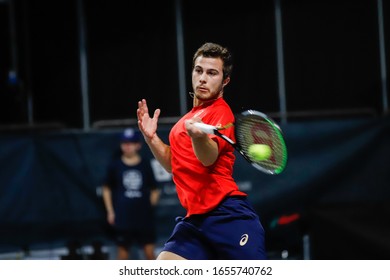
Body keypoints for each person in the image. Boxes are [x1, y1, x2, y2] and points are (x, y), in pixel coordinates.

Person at [137, 42, 267, 260]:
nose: (203, 78)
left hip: (227, 215)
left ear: (225, 81)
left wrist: (198, 137)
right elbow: (172, 163)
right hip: (195, 222)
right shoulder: (186, 121)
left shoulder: (221, 114)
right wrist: (151, 138)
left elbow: (208, 158)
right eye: (199, 70)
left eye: (212, 73)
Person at [102, 128, 160, 260]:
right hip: (123, 217)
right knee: (122, 255)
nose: (127, 146)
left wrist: (148, 208)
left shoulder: (145, 164)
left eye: (131, 143)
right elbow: (106, 188)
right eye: (124, 143)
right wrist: (110, 211)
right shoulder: (115, 165)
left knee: (150, 254)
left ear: (138, 145)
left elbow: (155, 189)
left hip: (144, 218)